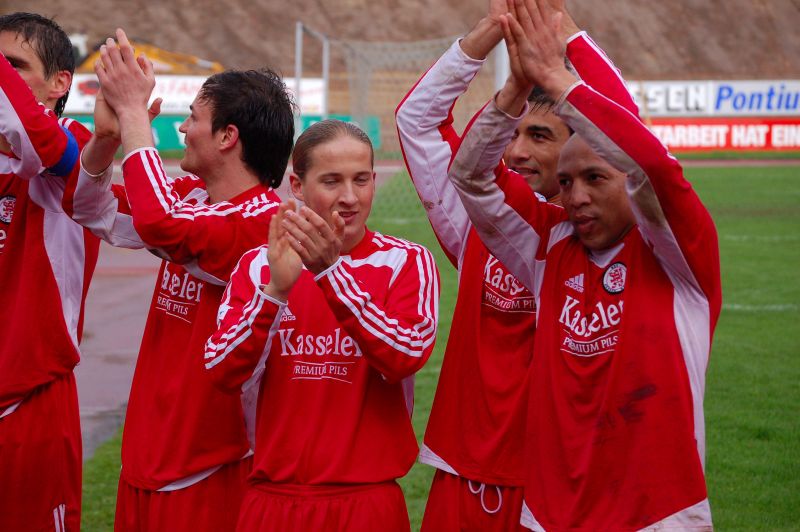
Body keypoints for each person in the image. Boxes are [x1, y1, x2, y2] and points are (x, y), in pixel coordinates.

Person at [446, 0, 721, 529]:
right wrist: (515, 90)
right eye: (567, 182)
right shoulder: (549, 249)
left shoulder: (677, 258)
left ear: (630, 185)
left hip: (654, 516)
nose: (576, 197)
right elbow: (472, 176)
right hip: (550, 516)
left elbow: (651, 161)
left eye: (596, 178)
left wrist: (562, 66)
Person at [395, 0, 639, 529]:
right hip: (463, 475)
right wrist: (491, 31)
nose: (516, 151)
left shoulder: (610, 242)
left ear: (582, 149)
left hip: (557, 490)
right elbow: (417, 121)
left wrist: (566, 36)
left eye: (539, 136)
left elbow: (631, 137)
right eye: (511, 135)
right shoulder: (477, 221)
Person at [63, 29, 295, 530]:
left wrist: (133, 116)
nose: (183, 127)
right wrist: (106, 139)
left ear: (227, 137)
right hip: (148, 453)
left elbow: (161, 223)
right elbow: (91, 209)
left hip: (208, 466)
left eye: (193, 117)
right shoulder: (193, 197)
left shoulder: (263, 223)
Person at [203, 119, 440, 531]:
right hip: (273, 500)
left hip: (367, 502)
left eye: (361, 180)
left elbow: (404, 355)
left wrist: (331, 273)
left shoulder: (405, 261)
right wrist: (274, 293)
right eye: (331, 181)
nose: (350, 197)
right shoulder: (260, 266)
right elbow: (221, 370)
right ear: (297, 186)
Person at [0, 12, 99, 531]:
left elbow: (40, 145)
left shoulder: (76, 145)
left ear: (60, 83)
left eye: (14, 66)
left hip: (27, 398)